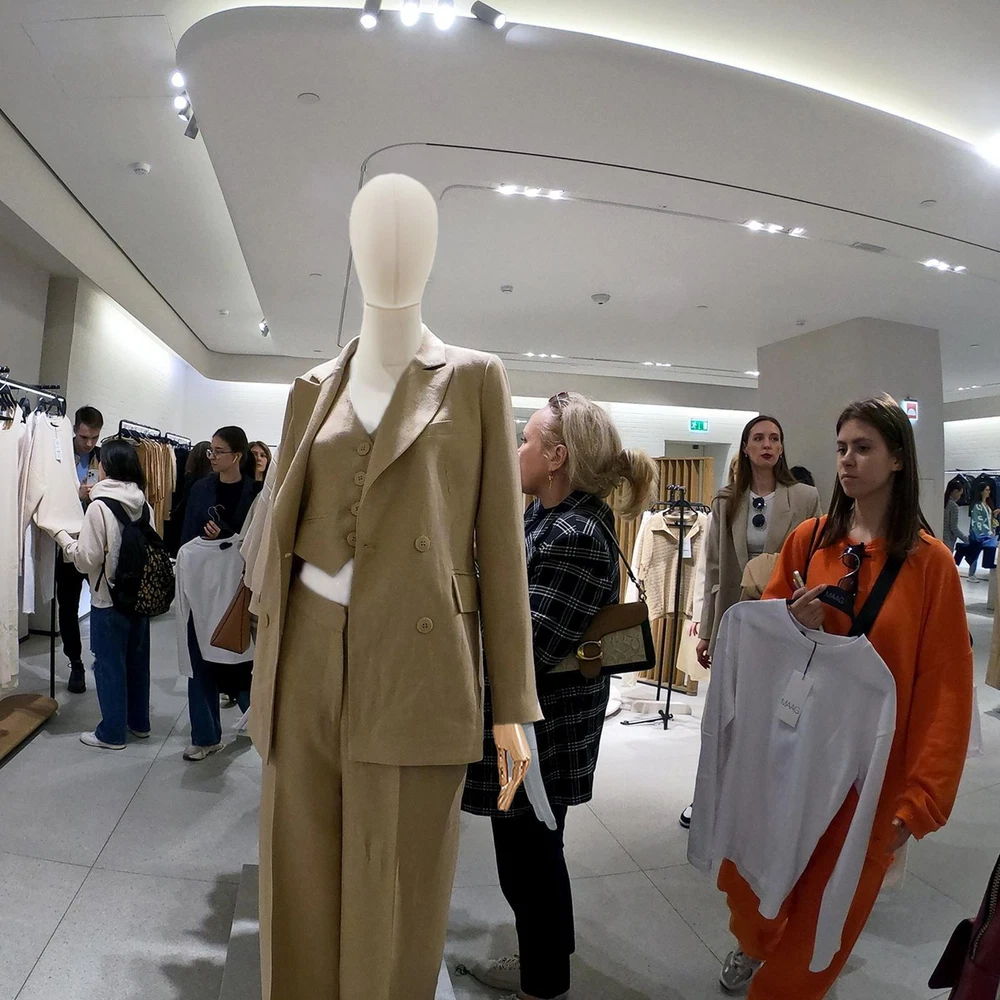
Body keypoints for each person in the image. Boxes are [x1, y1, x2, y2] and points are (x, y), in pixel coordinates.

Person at [716, 393, 972, 998]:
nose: (847, 460)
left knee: (821, 929)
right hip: (792, 756)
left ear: (898, 458)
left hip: (870, 779)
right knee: (755, 892)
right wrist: (791, 622)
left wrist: (922, 799)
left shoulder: (931, 566)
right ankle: (754, 944)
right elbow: (764, 642)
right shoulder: (810, 541)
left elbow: (945, 689)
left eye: (863, 447)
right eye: (841, 448)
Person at [462, 391, 656, 1000]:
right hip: (534, 724)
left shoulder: (571, 531)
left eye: (526, 439)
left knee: (529, 858)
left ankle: (543, 982)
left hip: (539, 733)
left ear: (557, 457)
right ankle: (543, 966)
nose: (516, 448)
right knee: (530, 853)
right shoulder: (549, 518)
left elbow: (530, 647)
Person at [697, 415, 823, 672]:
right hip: (736, 609)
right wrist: (707, 631)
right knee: (737, 685)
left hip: (785, 612)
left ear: (781, 448)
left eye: (774, 439)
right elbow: (713, 568)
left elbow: (818, 559)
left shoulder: (805, 498)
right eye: (758, 438)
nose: (767, 445)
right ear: (745, 448)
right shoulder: (725, 501)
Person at [55, 439, 152, 750]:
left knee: (109, 666)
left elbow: (87, 560)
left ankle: (111, 733)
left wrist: (64, 540)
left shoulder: (99, 506)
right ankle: (139, 723)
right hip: (139, 598)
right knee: (137, 663)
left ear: (108, 467)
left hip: (108, 599)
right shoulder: (144, 504)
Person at [180, 426, 261, 761]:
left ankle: (259, 724)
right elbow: (187, 538)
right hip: (202, 587)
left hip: (240, 589)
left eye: (219, 451)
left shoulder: (256, 494)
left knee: (243, 659)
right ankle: (205, 737)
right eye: (210, 450)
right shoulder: (201, 489)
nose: (212, 456)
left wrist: (226, 535)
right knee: (200, 660)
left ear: (237, 456)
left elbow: (258, 542)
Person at [58, 405, 104, 694]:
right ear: (75, 430)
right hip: (68, 539)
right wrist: (75, 494)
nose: (89, 443)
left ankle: (101, 655)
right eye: (84, 437)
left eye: (94, 437)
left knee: (102, 599)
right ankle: (75, 662)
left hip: (96, 538)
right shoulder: (60, 454)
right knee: (68, 604)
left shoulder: (102, 457)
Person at [957, 482, 993, 579]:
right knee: (975, 554)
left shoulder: (987, 504)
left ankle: (973, 572)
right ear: (981, 491)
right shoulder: (977, 506)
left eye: (989, 490)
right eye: (987, 490)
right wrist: (988, 532)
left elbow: (987, 519)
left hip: (986, 534)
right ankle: (971, 574)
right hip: (977, 534)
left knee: (979, 553)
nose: (989, 492)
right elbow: (977, 521)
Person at [943, 478, 968, 554]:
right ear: (955, 491)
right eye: (960, 494)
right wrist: (966, 539)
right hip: (948, 540)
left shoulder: (941, 502)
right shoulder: (953, 506)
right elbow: (954, 528)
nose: (960, 497)